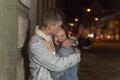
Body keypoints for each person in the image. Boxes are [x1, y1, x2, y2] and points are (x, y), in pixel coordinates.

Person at [28, 7, 81, 80]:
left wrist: (71, 40)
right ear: (50, 27)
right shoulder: (37, 44)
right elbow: (57, 65)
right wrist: (77, 56)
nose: (59, 29)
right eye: (58, 26)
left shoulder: (48, 37)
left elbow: (64, 40)